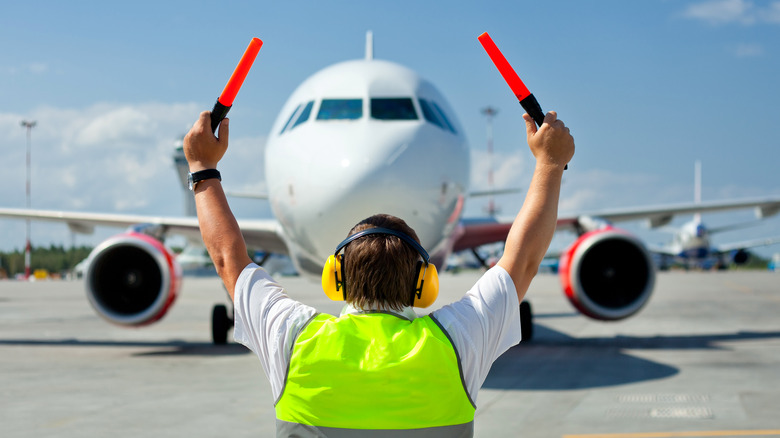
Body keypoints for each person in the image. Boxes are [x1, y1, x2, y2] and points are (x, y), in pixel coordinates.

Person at [183, 109, 574, 437]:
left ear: (336, 277)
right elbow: (522, 259)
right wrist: (550, 164)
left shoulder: (294, 339)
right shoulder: (456, 342)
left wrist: (202, 168)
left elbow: (226, 257)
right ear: (424, 284)